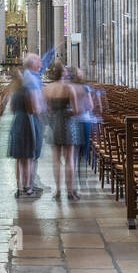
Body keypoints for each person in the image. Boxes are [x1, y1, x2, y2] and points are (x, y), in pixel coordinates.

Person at [44, 61, 81, 200]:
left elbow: (46, 109)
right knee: (69, 159)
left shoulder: (48, 88)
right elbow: (76, 110)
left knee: (56, 160)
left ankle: (58, 191)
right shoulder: (69, 88)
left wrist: (54, 114)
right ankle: (70, 191)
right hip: (68, 124)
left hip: (54, 125)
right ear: (63, 73)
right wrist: (68, 113)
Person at [6, 68, 38, 198]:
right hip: (26, 121)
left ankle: (18, 187)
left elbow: (12, 108)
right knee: (28, 157)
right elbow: (31, 109)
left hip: (16, 122)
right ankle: (28, 187)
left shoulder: (14, 92)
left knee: (18, 159)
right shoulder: (27, 91)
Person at [21, 52, 46, 196]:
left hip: (32, 117)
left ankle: (29, 183)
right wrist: (43, 109)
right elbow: (35, 105)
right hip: (32, 118)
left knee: (32, 154)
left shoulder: (31, 77)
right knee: (32, 153)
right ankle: (29, 184)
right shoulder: (30, 78)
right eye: (39, 61)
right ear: (32, 64)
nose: (41, 64)